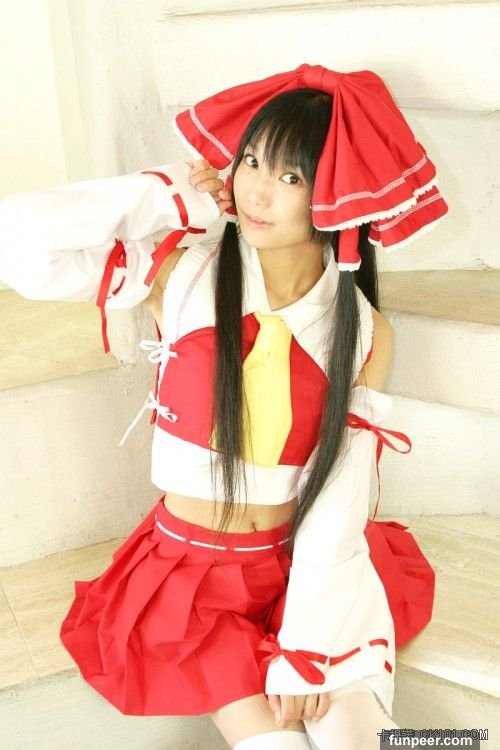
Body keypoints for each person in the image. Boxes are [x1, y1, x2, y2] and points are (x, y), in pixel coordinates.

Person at [0, 64, 443, 749]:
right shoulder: (179, 273)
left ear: (336, 194)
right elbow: (17, 241)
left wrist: (307, 641)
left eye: (291, 176)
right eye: (252, 161)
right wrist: (167, 196)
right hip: (191, 584)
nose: (256, 190)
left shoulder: (361, 331)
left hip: (305, 571)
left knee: (364, 743)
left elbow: (340, 492)